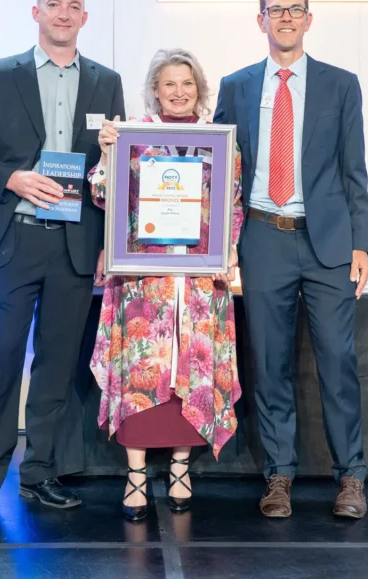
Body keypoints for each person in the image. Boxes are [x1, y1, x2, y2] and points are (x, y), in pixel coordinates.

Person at [0, 0, 126, 521]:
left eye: (74, 6)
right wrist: (13, 178)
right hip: (15, 238)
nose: (64, 14)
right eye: (54, 4)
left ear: (85, 18)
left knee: (56, 365)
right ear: (36, 13)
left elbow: (112, 175)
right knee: (2, 357)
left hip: (75, 244)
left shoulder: (107, 82)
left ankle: (40, 473)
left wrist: (107, 239)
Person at [213, 0, 368, 519]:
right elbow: (218, 170)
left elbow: (354, 170)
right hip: (263, 238)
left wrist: (361, 244)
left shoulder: (341, 85)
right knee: (270, 362)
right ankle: (278, 475)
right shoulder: (235, 86)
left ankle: (351, 476)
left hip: (329, 243)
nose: (285, 18)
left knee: (338, 362)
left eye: (294, 9)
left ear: (309, 18)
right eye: (275, 9)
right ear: (260, 19)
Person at [91, 48, 244, 522]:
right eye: (170, 84)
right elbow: (102, 193)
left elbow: (234, 204)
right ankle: (135, 474)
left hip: (200, 280)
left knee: (193, 373)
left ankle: (181, 468)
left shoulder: (219, 141)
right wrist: (107, 153)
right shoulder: (134, 136)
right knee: (141, 371)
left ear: (200, 90)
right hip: (145, 278)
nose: (179, 92)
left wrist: (228, 249)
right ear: (155, 91)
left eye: (188, 84)